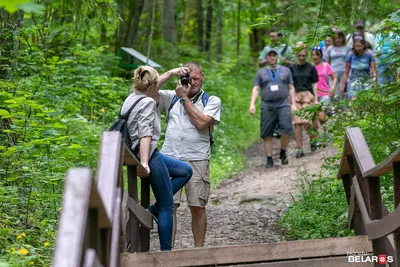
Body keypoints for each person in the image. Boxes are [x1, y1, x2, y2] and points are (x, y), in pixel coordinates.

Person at [121, 66, 193, 251]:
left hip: (140, 151)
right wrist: (145, 161)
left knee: (185, 171)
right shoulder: (147, 103)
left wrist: (171, 73)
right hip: (149, 155)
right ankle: (166, 253)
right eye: (157, 82)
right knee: (168, 207)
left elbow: (152, 87)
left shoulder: (132, 97)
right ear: (152, 85)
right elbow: (146, 133)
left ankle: (153, 209)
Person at [156, 62, 222, 247]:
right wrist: (170, 72)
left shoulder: (211, 100)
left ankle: (199, 253)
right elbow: (149, 91)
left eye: (196, 78)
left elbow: (203, 123)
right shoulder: (172, 97)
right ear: (181, 79)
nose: (192, 82)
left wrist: (185, 99)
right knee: (169, 208)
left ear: (203, 76)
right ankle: (168, 254)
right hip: (170, 158)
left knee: (198, 207)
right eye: (188, 78)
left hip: (198, 159)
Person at [249, 48, 297, 168]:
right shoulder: (261, 72)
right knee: (267, 133)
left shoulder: (286, 70)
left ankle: (282, 151)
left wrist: (294, 103)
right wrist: (252, 104)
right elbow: (256, 88)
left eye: (274, 55)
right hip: (267, 106)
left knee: (286, 129)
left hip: (283, 104)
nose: (272, 57)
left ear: (278, 57)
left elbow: (291, 87)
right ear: (266, 58)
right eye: (269, 55)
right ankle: (269, 159)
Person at [289, 44, 319, 157]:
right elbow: (289, 85)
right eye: (299, 55)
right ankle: (299, 148)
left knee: (306, 121)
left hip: (307, 96)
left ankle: (313, 139)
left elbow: (315, 84)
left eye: (304, 55)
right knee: (297, 123)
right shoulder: (291, 68)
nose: (302, 57)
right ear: (296, 55)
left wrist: (316, 99)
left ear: (306, 55)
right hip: (295, 97)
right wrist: (290, 100)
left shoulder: (311, 67)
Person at [341, 35, 376, 100]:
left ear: (364, 46)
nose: (358, 48)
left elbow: (374, 72)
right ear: (354, 47)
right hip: (353, 80)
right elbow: (346, 73)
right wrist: (342, 88)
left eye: (360, 46)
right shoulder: (350, 54)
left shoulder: (369, 54)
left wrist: (374, 83)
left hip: (366, 81)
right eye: (356, 46)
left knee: (365, 101)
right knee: (353, 101)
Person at [311, 47, 337, 125]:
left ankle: (326, 132)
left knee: (322, 117)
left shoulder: (326, 65)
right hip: (313, 95)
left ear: (320, 55)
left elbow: (334, 77)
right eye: (313, 55)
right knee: (315, 118)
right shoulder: (310, 67)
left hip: (324, 94)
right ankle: (325, 133)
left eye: (317, 55)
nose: (315, 57)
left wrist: (333, 88)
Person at [326, 31, 352, 99]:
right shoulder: (330, 48)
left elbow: (350, 61)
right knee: (334, 92)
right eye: (336, 38)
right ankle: (334, 108)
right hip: (333, 74)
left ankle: (344, 109)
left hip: (344, 73)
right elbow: (327, 63)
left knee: (342, 91)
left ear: (343, 38)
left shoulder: (348, 48)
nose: (337, 40)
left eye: (339, 38)